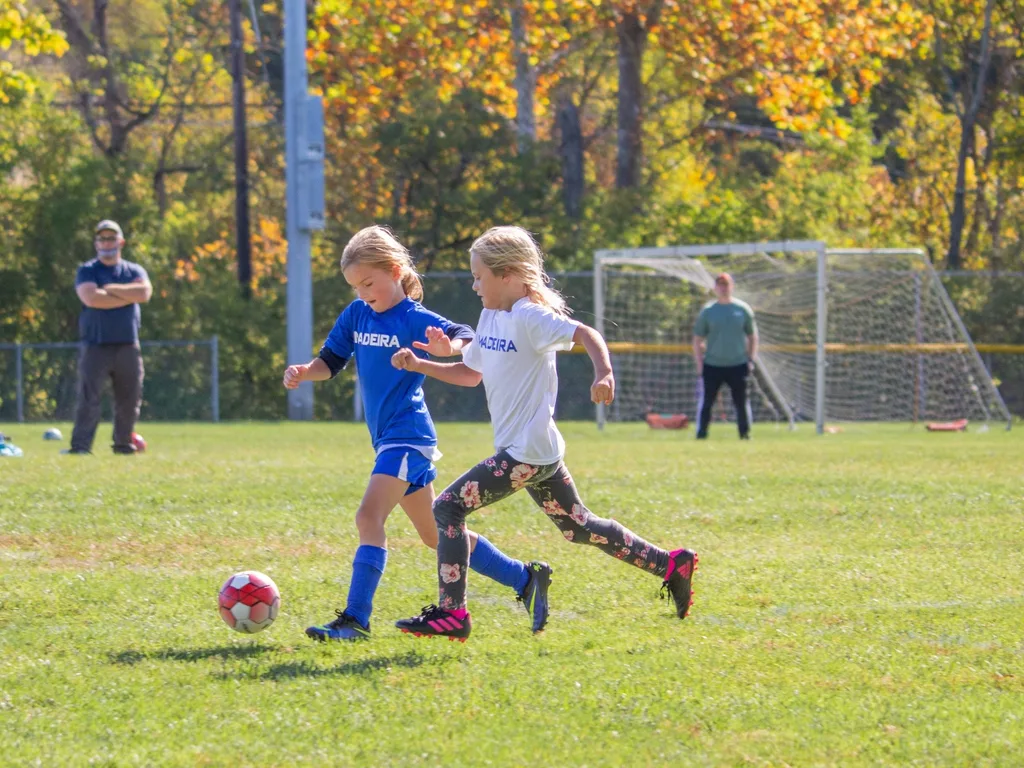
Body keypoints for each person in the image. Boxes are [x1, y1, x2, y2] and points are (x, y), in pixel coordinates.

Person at [393, 226, 697, 642]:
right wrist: (422, 364)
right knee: (579, 528)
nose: (474, 284)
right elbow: (471, 373)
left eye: (480, 276)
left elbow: (587, 334)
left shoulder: (530, 317)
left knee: (446, 508)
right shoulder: (491, 317)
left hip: (526, 453)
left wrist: (604, 373)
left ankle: (452, 614)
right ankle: (670, 564)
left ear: (509, 275)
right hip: (535, 452)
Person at [282, 225, 547, 642]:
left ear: (395, 270)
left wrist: (447, 346)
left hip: (408, 437)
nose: (363, 293)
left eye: (369, 283)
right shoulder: (356, 314)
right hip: (390, 440)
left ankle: (355, 620)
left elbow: (466, 337)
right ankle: (525, 579)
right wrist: (304, 372)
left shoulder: (413, 318)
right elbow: (330, 361)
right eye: (355, 286)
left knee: (369, 517)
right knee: (435, 535)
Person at [66, 220, 151, 455]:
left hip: (128, 345)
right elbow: (92, 299)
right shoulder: (87, 270)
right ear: (96, 243)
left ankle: (123, 445)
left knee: (129, 400)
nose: (106, 243)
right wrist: (126, 295)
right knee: (89, 399)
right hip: (96, 345)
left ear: (120, 242)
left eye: (111, 238)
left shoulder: (134, 270)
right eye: (102, 239)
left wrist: (110, 289)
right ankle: (81, 447)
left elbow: (143, 293)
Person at [692, 272, 758, 440]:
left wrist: (750, 359)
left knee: (741, 403)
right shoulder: (708, 311)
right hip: (713, 364)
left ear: (731, 287)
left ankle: (745, 434)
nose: (723, 288)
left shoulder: (742, 309)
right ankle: (701, 434)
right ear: (715, 288)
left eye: (726, 284)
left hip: (738, 363)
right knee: (707, 402)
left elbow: (752, 336)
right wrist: (700, 363)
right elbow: (698, 338)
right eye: (720, 285)